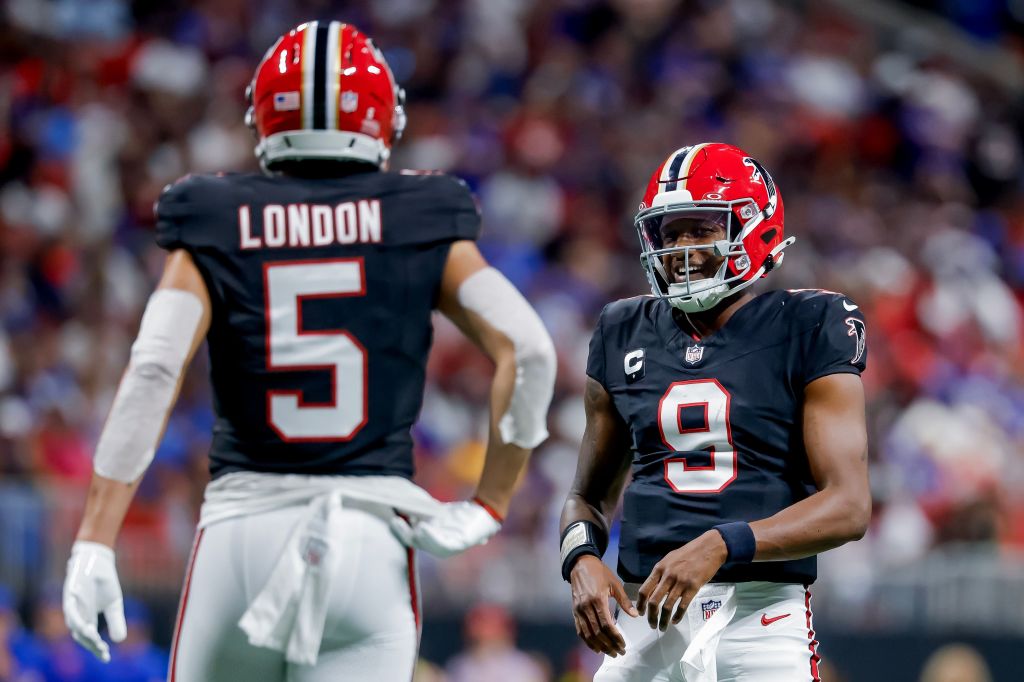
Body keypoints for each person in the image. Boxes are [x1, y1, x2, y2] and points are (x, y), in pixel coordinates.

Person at [60, 20, 556, 681]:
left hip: (241, 534)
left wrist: (95, 539)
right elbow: (529, 350)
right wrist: (489, 502)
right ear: (382, 118)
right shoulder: (420, 212)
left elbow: (153, 369)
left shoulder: (215, 213)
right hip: (370, 542)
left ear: (265, 114)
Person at [559, 142, 870, 681]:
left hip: (759, 618)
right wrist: (580, 558)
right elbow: (586, 497)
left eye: (701, 229)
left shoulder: (810, 322)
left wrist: (723, 542)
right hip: (642, 620)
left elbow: (848, 505)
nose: (681, 249)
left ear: (754, 228)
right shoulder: (621, 329)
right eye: (670, 233)